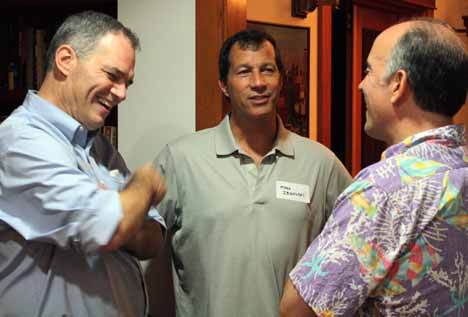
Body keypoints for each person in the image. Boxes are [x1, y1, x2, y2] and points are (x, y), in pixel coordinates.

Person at [153, 29, 352, 317]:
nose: (258, 83)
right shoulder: (181, 159)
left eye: (267, 70)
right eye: (244, 72)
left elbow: (359, 247)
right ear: (224, 84)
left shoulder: (320, 163)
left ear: (280, 79)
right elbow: (139, 251)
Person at [280, 18, 468, 317]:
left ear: (398, 84)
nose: (360, 84)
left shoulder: (385, 188)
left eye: (368, 70)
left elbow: (298, 309)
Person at [0, 11, 167, 316]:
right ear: (65, 60)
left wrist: (122, 211)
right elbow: (111, 226)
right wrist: (143, 185)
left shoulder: (101, 148)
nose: (122, 93)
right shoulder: (18, 142)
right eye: (112, 76)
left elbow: (152, 238)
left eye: (127, 82)